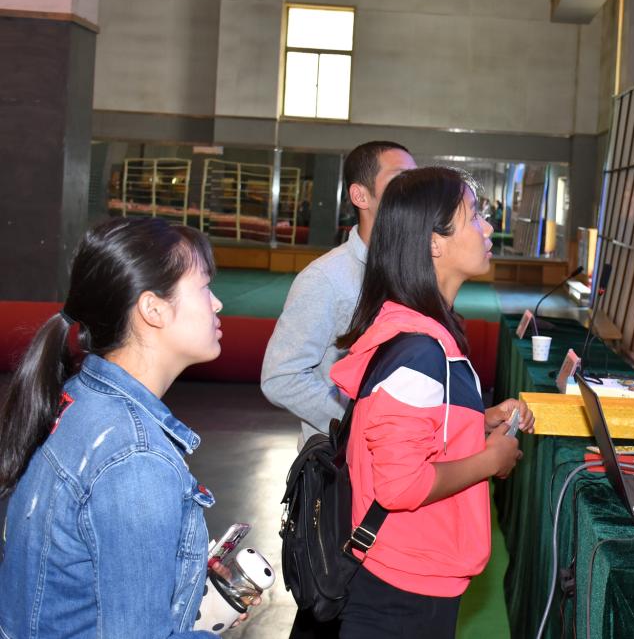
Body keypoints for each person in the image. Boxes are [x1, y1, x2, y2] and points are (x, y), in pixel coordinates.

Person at [0, 217, 228, 638]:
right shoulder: (135, 459)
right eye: (204, 287)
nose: (216, 304)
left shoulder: (76, 397)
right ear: (153, 309)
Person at [330, 166, 534, 638]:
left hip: (410, 570)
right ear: (433, 243)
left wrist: (480, 422)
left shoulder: (421, 332)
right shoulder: (421, 351)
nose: (487, 228)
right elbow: (401, 486)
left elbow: (420, 429)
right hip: (402, 585)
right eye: (474, 217)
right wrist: (490, 460)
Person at [261, 140, 417, 445]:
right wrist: (358, 420)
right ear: (360, 195)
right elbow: (281, 377)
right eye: (400, 179)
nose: (413, 190)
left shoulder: (415, 272)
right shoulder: (326, 278)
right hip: (345, 460)